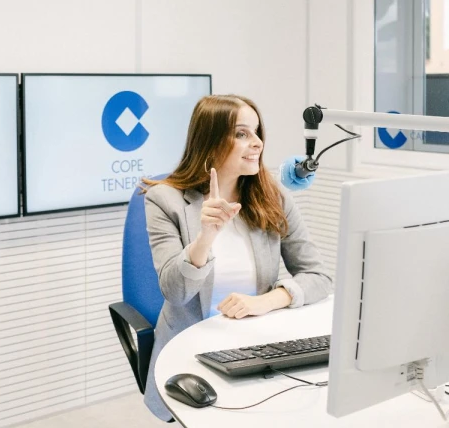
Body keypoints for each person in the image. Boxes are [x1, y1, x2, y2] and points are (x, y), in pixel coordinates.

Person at [140, 94, 333, 421]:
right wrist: (206, 238)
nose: (257, 143)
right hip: (190, 350)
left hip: (257, 345)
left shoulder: (273, 196)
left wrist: (268, 301)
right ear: (210, 140)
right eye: (241, 133)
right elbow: (175, 292)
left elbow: (318, 277)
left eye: (257, 132)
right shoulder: (165, 200)